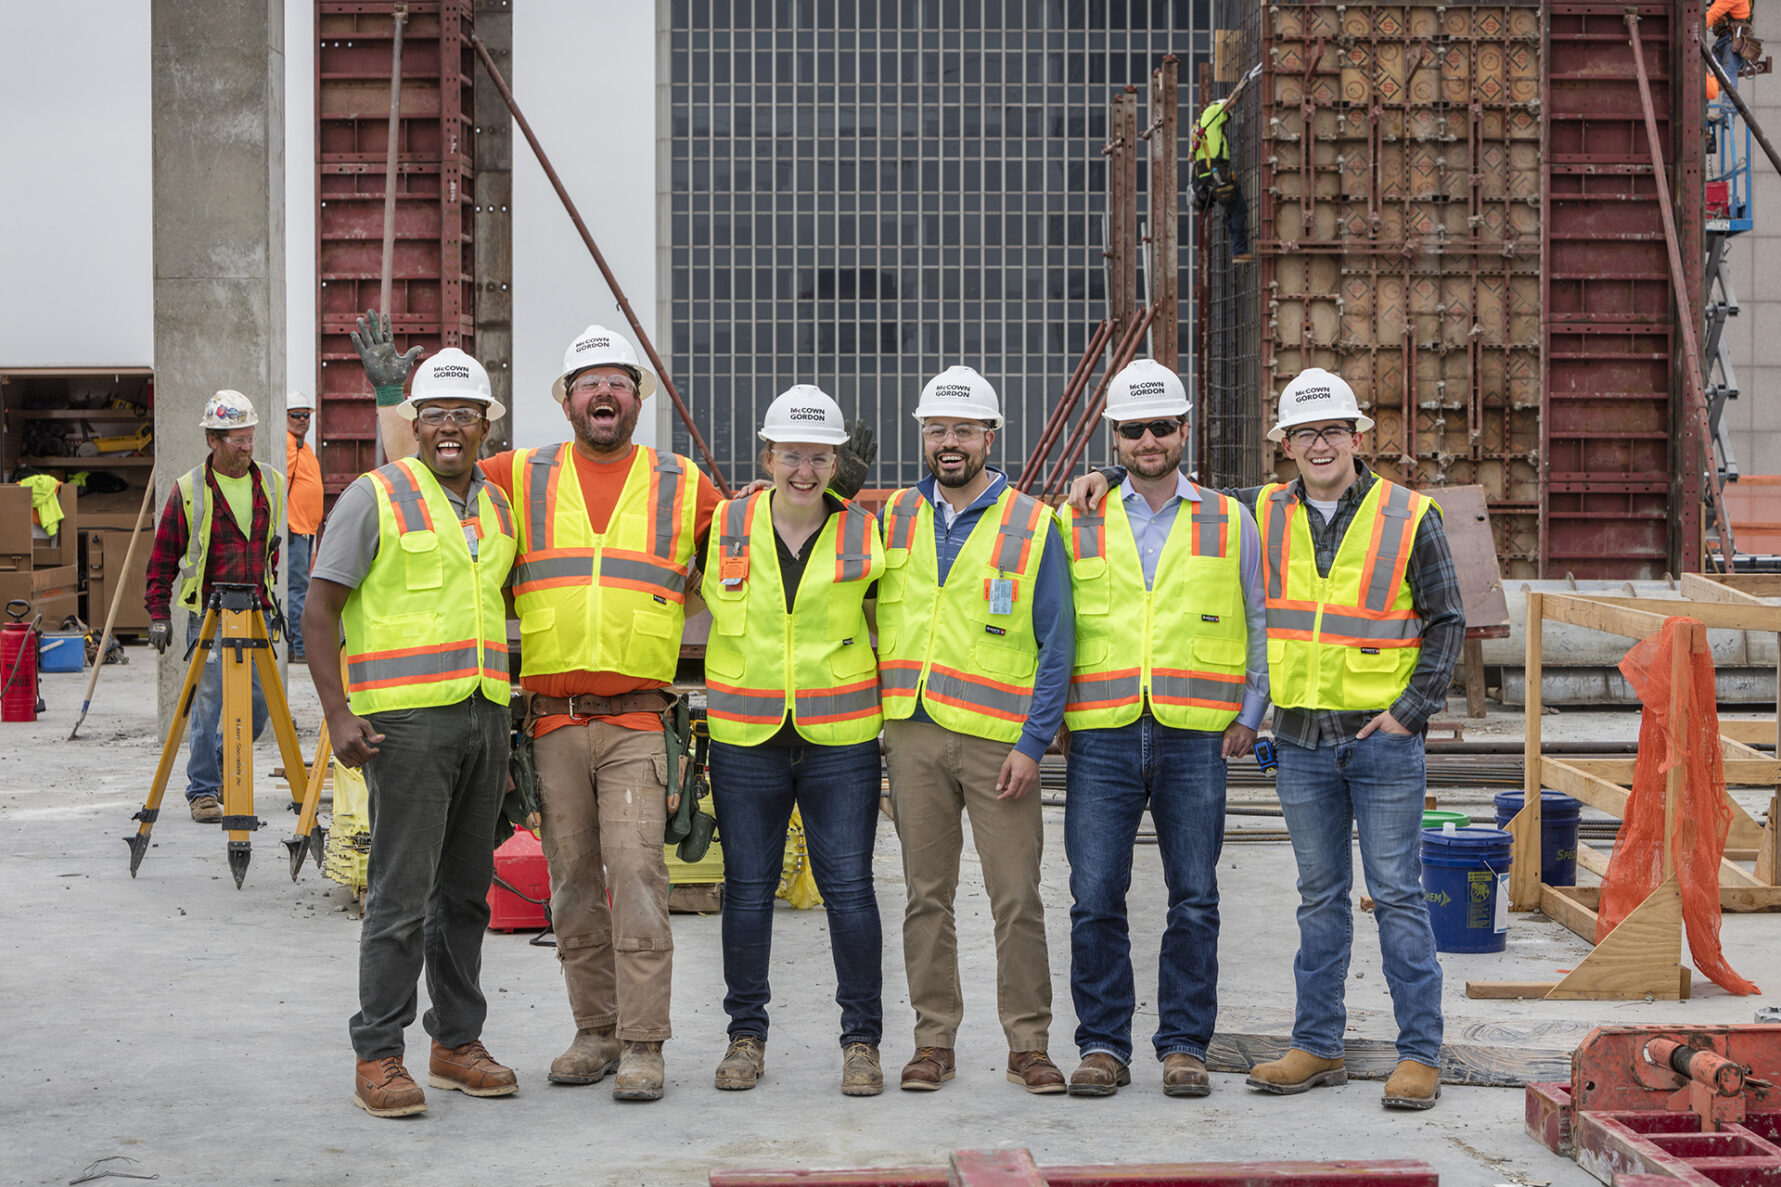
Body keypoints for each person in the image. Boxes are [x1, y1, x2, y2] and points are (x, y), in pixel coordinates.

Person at [1068, 366, 1464, 1111]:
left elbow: (1447, 619)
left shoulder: (1409, 514)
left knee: (1398, 895)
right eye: (1304, 433)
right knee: (1319, 898)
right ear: (1283, 443)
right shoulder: (1255, 512)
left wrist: (1411, 709)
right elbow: (1160, 485)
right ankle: (1317, 1043)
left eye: (1331, 431)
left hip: (1381, 740)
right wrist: (1096, 476)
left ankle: (1418, 1053)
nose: (1318, 445)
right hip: (1304, 741)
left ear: (1355, 437)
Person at [482, 324, 724, 1103]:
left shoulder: (682, 483)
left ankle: (644, 1042)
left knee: (639, 876)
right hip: (551, 721)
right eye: (589, 383)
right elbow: (425, 474)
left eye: (618, 381)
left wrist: (806, 484)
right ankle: (595, 1031)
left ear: (636, 399)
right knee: (573, 884)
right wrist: (394, 401)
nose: (604, 394)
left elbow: (762, 536)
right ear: (566, 400)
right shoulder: (517, 474)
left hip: (635, 722)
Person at [302, 349, 519, 1119]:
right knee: (398, 895)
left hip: (484, 713)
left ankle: (456, 1041)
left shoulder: (496, 507)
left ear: (487, 423)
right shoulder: (376, 496)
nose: (450, 426)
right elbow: (320, 609)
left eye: (465, 412)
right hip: (405, 725)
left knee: (464, 894)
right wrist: (336, 713)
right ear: (414, 423)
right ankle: (378, 1052)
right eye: (436, 413)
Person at [1053, 360, 1268, 1099]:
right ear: (1115, 435)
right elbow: (1048, 626)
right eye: (1133, 428)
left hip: (1193, 736)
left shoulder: (1228, 518)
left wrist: (1251, 708)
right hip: (1103, 732)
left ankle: (1183, 1045)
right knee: (1093, 896)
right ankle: (1103, 1045)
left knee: (1195, 896)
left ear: (1183, 430)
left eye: (1161, 426)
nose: (1148, 439)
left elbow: (1257, 616)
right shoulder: (1076, 515)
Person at [877, 365, 1074, 1095]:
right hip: (913, 733)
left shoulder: (1032, 521)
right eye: (937, 429)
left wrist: (1032, 741)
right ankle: (933, 1041)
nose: (948, 441)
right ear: (923, 436)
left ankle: (1028, 1042)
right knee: (925, 894)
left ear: (989, 435)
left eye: (963, 429)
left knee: (1015, 896)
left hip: (1000, 745)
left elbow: (1058, 641)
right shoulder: (892, 516)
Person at [701, 385, 887, 1097]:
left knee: (849, 889)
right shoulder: (724, 521)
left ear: (836, 460)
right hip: (747, 736)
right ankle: (744, 1037)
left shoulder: (863, 529)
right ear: (766, 456)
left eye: (818, 456)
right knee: (747, 892)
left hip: (840, 737)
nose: (803, 471)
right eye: (790, 455)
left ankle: (860, 1041)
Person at [143, 390, 284, 823]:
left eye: (250, 438)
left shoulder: (271, 482)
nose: (246, 447)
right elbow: (163, 556)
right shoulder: (189, 490)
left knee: (262, 705)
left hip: (256, 610)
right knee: (208, 703)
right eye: (237, 440)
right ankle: (202, 790)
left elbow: (274, 552)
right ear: (214, 440)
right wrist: (158, 613)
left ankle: (222, 765)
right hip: (210, 612)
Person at [284, 390, 323, 661]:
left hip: (305, 529)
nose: (302, 419)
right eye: (296, 414)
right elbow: (280, 484)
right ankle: (299, 648)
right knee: (298, 589)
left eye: (306, 414)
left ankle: (293, 646)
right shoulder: (287, 444)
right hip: (294, 529)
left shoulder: (303, 447)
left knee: (299, 587)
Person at [1191, 97, 1251, 262]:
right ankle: (1240, 251)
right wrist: (1242, 87)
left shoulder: (1198, 126)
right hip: (1217, 174)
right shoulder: (1213, 111)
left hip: (1204, 178)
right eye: (1226, 120)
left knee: (1232, 208)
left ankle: (1236, 242)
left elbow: (1190, 156)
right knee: (1239, 209)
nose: (1225, 124)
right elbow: (1230, 103)